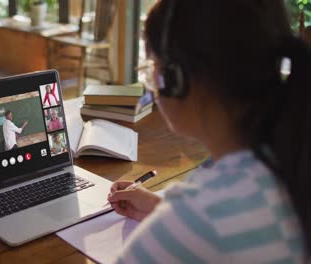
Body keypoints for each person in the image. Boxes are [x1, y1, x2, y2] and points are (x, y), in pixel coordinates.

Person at [108, 0, 310, 263]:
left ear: (176, 79)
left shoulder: (201, 214)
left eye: (151, 68)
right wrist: (164, 213)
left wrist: (179, 224)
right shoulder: (291, 160)